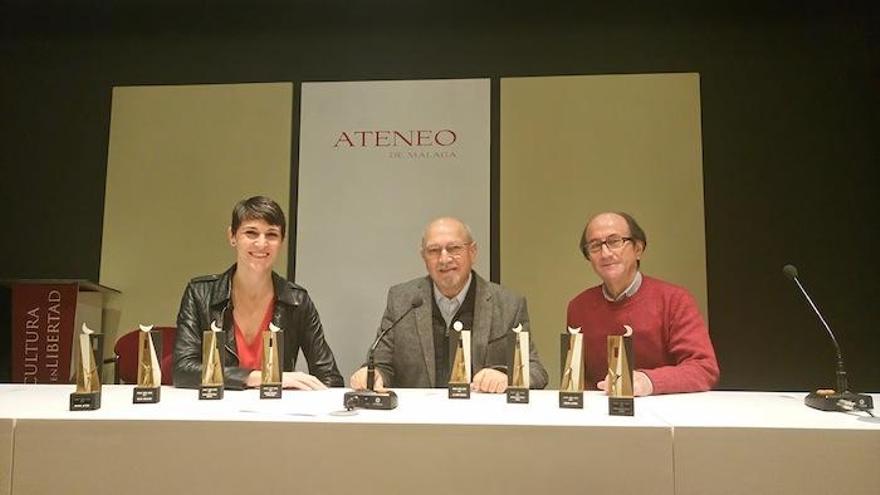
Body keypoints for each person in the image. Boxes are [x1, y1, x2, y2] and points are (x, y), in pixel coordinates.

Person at [350, 217, 548, 393]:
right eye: (434, 251)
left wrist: (507, 376)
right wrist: (373, 375)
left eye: (454, 249)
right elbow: (382, 364)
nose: (444, 259)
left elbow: (536, 371)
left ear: (473, 252)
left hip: (483, 424)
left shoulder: (508, 304)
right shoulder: (402, 300)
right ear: (424, 257)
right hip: (418, 424)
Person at [173, 196, 343, 389]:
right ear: (232, 236)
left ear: (282, 241)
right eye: (251, 233)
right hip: (218, 412)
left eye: (271, 235)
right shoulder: (200, 294)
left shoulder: (297, 300)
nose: (261, 244)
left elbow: (330, 377)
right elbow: (183, 371)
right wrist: (256, 377)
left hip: (275, 414)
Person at [567, 212, 719, 396]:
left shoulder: (674, 300)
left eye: (614, 241)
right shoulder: (579, 307)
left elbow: (704, 368)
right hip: (603, 415)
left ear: (638, 248)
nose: (605, 253)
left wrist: (649, 381)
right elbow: (578, 378)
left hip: (664, 415)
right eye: (595, 246)